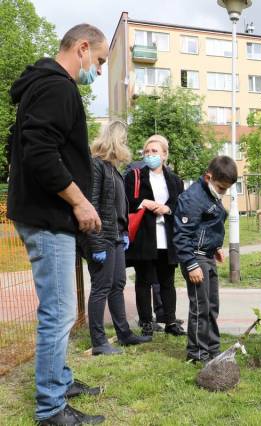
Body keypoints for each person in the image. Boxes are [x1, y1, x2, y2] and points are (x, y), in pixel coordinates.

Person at [7, 24, 107, 424]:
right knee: (59, 311)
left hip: (43, 214)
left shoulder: (42, 85)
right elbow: (40, 152)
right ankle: (51, 409)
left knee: (59, 309)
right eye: (98, 61)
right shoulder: (57, 88)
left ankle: (60, 380)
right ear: (82, 48)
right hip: (48, 217)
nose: (98, 72)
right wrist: (80, 202)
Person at [78, 121, 152, 356]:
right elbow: (90, 206)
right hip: (102, 239)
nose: (127, 146)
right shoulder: (96, 166)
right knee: (101, 287)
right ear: (115, 141)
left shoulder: (113, 169)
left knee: (118, 284)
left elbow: (116, 207)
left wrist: (123, 233)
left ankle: (124, 334)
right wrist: (96, 242)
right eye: (124, 140)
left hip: (117, 238)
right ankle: (99, 342)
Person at [173, 156, 237, 365]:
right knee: (200, 306)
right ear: (208, 177)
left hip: (207, 255)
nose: (222, 192)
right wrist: (191, 265)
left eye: (226, 189)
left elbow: (209, 225)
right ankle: (197, 354)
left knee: (211, 305)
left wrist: (216, 247)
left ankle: (212, 349)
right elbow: (182, 235)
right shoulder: (192, 198)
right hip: (195, 258)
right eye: (220, 188)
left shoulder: (211, 196)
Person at [125, 135, 185, 337]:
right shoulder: (134, 176)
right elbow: (126, 202)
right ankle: (146, 322)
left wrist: (167, 209)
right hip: (144, 237)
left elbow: (179, 206)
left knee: (167, 282)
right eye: (147, 151)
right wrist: (146, 203)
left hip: (167, 239)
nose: (150, 155)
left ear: (165, 155)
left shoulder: (175, 180)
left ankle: (170, 321)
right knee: (144, 281)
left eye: (155, 151)